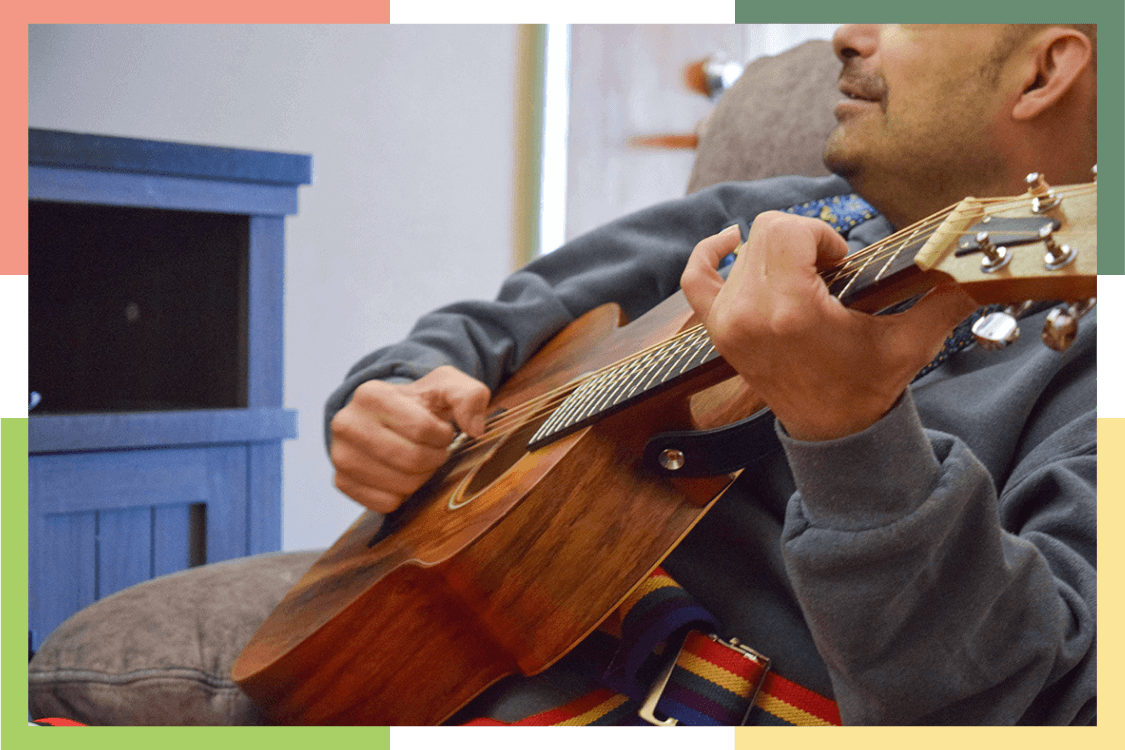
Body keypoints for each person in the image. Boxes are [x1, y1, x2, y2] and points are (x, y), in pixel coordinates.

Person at [324, 24, 1096, 725]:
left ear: (1044, 70)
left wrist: (851, 432)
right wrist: (398, 391)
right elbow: (495, 325)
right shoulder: (766, 217)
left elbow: (1026, 707)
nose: (846, 35)